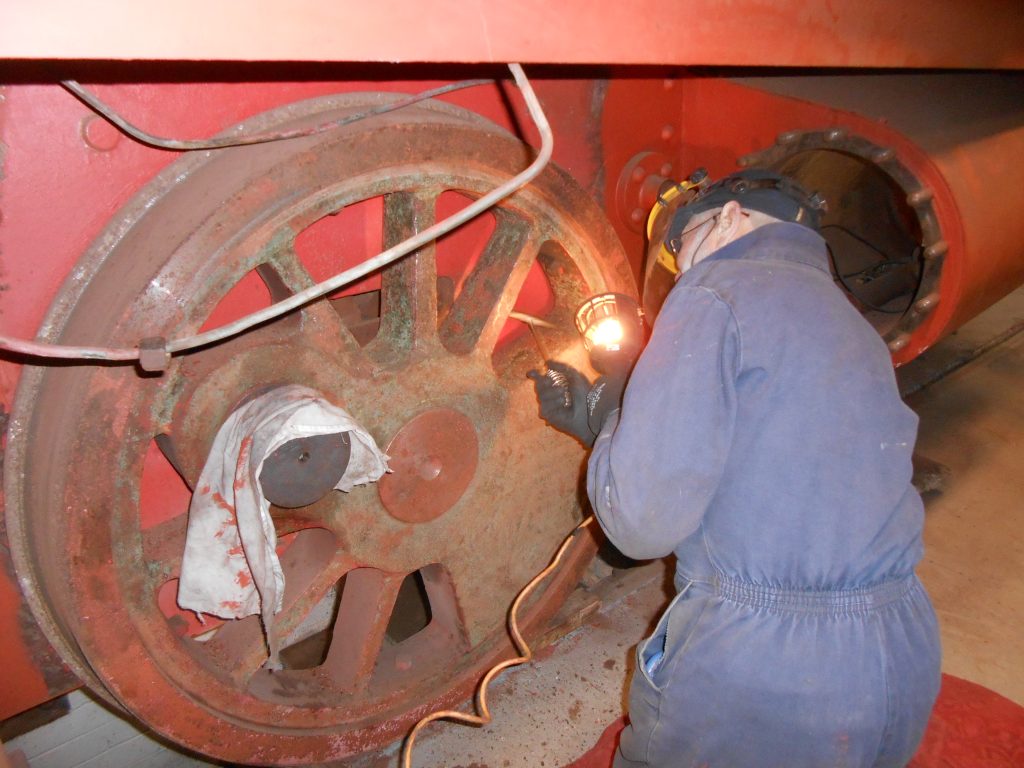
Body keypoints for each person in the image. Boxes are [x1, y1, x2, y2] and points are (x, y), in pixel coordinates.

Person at [528, 170, 942, 768]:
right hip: (899, 651)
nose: (679, 269)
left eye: (680, 246)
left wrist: (621, 405)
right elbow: (773, 456)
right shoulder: (853, 324)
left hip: (768, 674)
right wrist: (607, 423)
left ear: (728, 218)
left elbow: (639, 529)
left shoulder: (714, 289)